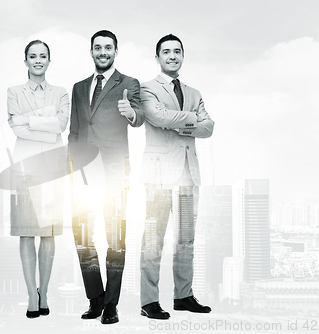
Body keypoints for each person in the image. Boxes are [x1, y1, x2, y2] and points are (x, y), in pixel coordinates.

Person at [68, 30, 144, 324]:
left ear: (115, 51)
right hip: (83, 173)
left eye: (108, 47)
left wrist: (131, 113)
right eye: (97, 47)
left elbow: (137, 116)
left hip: (114, 173)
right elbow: (74, 130)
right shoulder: (78, 87)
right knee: (82, 238)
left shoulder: (128, 84)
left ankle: (111, 305)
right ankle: (96, 298)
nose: (103, 52)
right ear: (91, 51)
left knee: (115, 239)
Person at [139, 34, 214, 320]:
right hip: (158, 176)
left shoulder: (194, 92)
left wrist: (182, 122)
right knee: (153, 239)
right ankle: (149, 302)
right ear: (157, 57)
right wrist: (191, 120)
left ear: (183, 56)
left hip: (187, 175)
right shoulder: (146, 87)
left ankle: (183, 295)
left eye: (177, 51)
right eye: (166, 52)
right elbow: (157, 117)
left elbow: (209, 128)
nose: (172, 56)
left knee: (185, 239)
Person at [7, 40, 69, 319]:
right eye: (33, 56)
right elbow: (15, 128)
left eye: (43, 56)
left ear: (49, 60)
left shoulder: (61, 92)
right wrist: (46, 123)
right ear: (25, 61)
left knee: (49, 232)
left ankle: (44, 291)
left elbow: (61, 126)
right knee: (26, 231)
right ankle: (31, 294)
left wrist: (30, 121)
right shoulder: (13, 92)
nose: (38, 61)